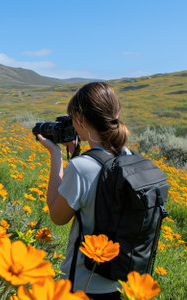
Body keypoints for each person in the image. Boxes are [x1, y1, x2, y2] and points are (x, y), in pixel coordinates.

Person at [37, 82, 129, 299]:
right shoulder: (130, 158)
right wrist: (77, 154)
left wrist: (56, 156)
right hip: (121, 284)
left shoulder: (82, 168)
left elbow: (57, 216)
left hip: (83, 285)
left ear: (79, 118)